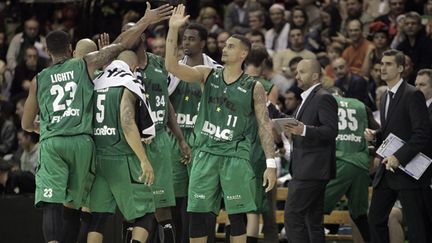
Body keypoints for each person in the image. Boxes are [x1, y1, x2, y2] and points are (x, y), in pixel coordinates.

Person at [21, 3, 173, 243]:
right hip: (86, 143)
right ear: (70, 49)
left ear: (48, 52)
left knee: (60, 206)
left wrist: (38, 127)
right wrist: (145, 21)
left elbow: (26, 123)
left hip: (56, 143)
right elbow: (122, 43)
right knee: (91, 210)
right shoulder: (85, 65)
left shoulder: (39, 79)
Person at [165, 5, 277, 243]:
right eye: (225, 45)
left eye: (231, 46)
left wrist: (271, 164)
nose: (224, 48)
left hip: (235, 157)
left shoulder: (253, 87)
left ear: (244, 54)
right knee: (197, 214)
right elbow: (172, 68)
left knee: (236, 217)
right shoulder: (208, 74)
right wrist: (172, 31)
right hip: (204, 153)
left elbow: (265, 125)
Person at [133, 18, 192, 243]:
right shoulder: (120, 67)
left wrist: (180, 139)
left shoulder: (158, 63)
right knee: (135, 211)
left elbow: (167, 103)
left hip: (159, 141)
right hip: (134, 142)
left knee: (163, 209)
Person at [87, 51, 155, 243]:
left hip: (98, 158)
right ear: (133, 68)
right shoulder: (128, 81)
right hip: (122, 157)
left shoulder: (96, 80)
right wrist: (143, 160)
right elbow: (126, 120)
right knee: (146, 215)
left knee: (98, 218)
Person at [365, 49, 432, 243]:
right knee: (375, 220)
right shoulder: (385, 96)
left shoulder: (413, 94)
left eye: (389, 64)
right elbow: (392, 132)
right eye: (382, 64)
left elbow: (421, 135)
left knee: (416, 226)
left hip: (408, 172)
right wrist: (376, 136)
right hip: (388, 171)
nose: (383, 68)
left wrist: (399, 157)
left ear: (401, 68)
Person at [167, 22, 222, 243]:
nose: (186, 42)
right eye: (184, 38)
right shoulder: (172, 71)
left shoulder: (216, 71)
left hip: (202, 142)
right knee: (175, 200)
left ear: (203, 42)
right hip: (175, 140)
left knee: (201, 201)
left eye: (191, 38)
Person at [283, 58, 338, 243]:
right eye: (296, 72)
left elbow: (331, 131)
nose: (296, 76)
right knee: (313, 220)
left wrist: (303, 130)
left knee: (292, 217)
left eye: (301, 72)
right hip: (308, 169)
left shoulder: (323, 97)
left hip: (311, 170)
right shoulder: (307, 99)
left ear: (315, 75)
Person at [323, 87, 378, 243]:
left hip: (339, 162)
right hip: (361, 165)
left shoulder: (326, 104)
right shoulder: (360, 105)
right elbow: (379, 132)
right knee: (359, 215)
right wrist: (372, 151)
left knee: (311, 208)